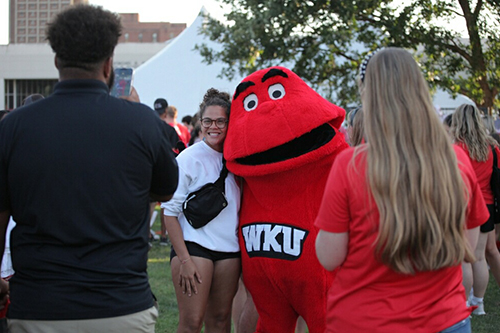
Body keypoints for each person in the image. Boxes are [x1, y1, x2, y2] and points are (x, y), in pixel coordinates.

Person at [0, 5, 179, 332]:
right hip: (121, 307)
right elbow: (166, 189)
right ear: (109, 64)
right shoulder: (141, 122)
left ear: (57, 61)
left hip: (38, 308)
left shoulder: (14, 127)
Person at [315, 47, 487, 333]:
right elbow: (467, 247)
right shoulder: (455, 159)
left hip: (367, 321)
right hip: (446, 320)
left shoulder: (350, 164)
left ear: (369, 95)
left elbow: (329, 256)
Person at [161, 88, 240, 333]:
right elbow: (169, 213)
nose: (213, 127)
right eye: (207, 121)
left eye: (220, 121)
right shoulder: (188, 159)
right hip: (193, 248)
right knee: (192, 322)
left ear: (230, 122)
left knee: (220, 320)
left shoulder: (239, 159)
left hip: (229, 251)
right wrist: (183, 260)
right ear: (200, 122)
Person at [451, 104, 500, 314]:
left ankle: (463, 303)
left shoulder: (457, 148)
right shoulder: (492, 147)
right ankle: (479, 303)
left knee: (464, 258)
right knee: (480, 257)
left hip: (465, 206)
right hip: (488, 206)